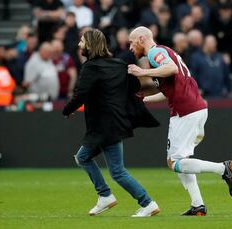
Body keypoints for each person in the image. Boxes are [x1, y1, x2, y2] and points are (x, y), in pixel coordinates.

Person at [127, 26, 232, 216]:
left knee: (174, 162)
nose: (129, 47)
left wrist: (141, 73)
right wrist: (143, 100)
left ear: (142, 38)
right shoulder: (162, 54)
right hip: (192, 108)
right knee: (179, 160)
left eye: (131, 41)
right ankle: (198, 205)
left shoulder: (155, 52)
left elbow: (171, 69)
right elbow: (167, 90)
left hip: (186, 110)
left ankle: (222, 168)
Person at [63, 29, 160, 217]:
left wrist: (67, 110)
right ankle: (105, 195)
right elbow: (134, 85)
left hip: (105, 126)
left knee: (117, 171)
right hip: (114, 122)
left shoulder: (91, 67)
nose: (79, 45)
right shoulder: (117, 64)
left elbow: (80, 94)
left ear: (90, 45)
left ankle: (146, 203)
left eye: (82, 41)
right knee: (83, 157)